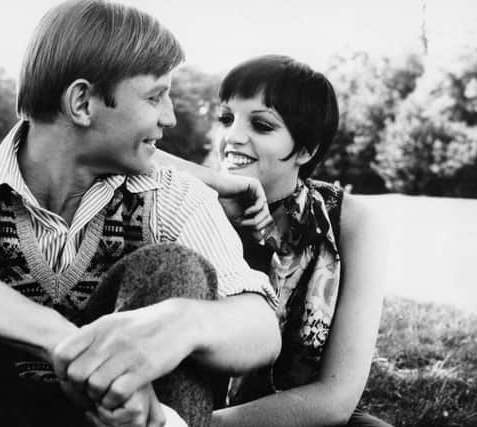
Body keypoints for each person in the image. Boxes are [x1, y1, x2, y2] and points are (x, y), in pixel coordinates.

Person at [0, 2, 282, 426]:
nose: (169, 117)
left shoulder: (173, 196)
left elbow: (262, 328)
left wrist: (183, 324)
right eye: (155, 96)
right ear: (82, 103)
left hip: (120, 419)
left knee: (177, 270)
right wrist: (63, 342)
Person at [163, 55, 388, 426]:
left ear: (306, 149)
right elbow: (127, 153)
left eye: (262, 125)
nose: (232, 136)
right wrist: (218, 184)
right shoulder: (187, 201)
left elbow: (336, 397)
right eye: (226, 118)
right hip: (180, 407)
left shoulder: (350, 221)